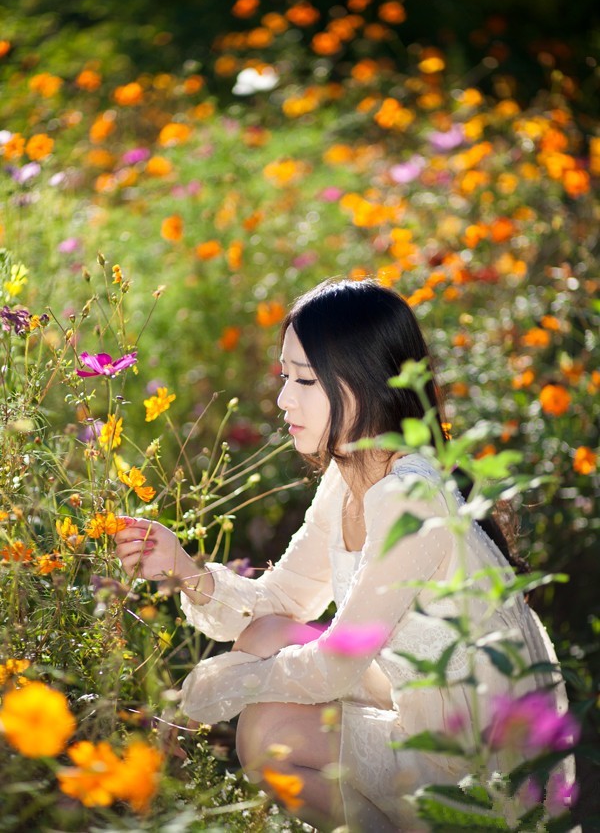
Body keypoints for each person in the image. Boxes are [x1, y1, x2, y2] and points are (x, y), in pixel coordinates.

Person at [115, 278, 573, 832]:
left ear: (365, 384)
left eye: (305, 379)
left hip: (485, 768)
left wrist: (203, 694)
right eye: (285, 377)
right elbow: (283, 600)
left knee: (267, 733)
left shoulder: (411, 498)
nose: (284, 399)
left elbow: (338, 662)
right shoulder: (349, 472)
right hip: (426, 703)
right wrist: (184, 571)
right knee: (265, 636)